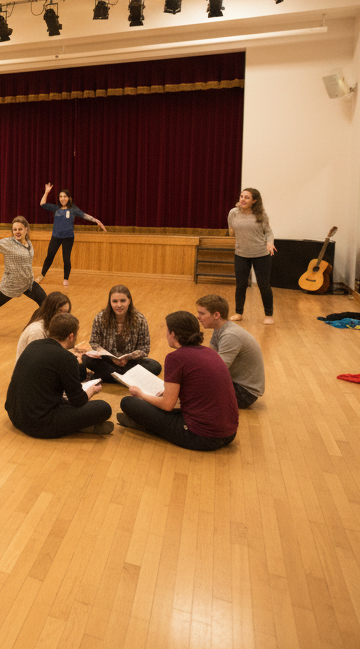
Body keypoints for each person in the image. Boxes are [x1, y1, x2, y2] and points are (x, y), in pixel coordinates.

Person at [117, 311, 238, 451]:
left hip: (203, 437)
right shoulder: (209, 352)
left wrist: (140, 394)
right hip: (229, 433)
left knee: (128, 402)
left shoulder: (175, 358)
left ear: (173, 334)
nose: (166, 334)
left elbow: (167, 405)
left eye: (167, 330)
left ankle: (147, 426)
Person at [6, 313, 114, 437]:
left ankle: (80, 425)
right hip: (38, 423)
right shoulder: (66, 358)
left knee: (65, 403)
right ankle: (79, 426)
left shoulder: (33, 345)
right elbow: (78, 401)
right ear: (71, 336)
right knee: (103, 408)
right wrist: (92, 390)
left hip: (14, 415)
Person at [82, 285, 163, 383]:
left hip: (130, 362)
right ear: (110, 302)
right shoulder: (100, 318)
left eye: (123, 301)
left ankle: (108, 376)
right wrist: (109, 357)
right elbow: (94, 342)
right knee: (86, 359)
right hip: (108, 361)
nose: (119, 305)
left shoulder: (140, 319)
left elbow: (144, 349)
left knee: (155, 366)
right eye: (115, 301)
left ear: (129, 301)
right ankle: (126, 378)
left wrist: (129, 357)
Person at [196, 294, 265, 408]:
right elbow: (211, 357)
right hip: (235, 383)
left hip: (245, 393)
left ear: (216, 315)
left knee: (193, 391)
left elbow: (218, 369)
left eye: (202, 313)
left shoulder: (230, 335)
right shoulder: (219, 329)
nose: (198, 317)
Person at [37, 183, 106, 287]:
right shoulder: (56, 208)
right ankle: (42, 275)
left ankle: (66, 278)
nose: (62, 198)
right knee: (50, 256)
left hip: (68, 237)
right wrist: (46, 192)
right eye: (60, 196)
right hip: (56, 236)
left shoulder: (73, 209)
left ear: (69, 198)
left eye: (65, 196)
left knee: (66, 258)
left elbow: (84, 215)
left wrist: (96, 220)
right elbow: (42, 203)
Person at [228, 187, 276, 324]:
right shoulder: (233, 213)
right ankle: (238, 312)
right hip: (241, 253)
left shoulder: (261, 215)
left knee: (264, 285)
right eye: (241, 196)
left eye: (247, 197)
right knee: (241, 284)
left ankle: (269, 315)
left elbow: (268, 232)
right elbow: (231, 229)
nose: (242, 199)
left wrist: (270, 243)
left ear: (254, 201)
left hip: (261, 254)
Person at [16, 291, 71, 363]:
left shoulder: (51, 326)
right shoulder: (36, 331)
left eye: (65, 312)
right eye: (60, 311)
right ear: (50, 310)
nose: (63, 316)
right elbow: (37, 360)